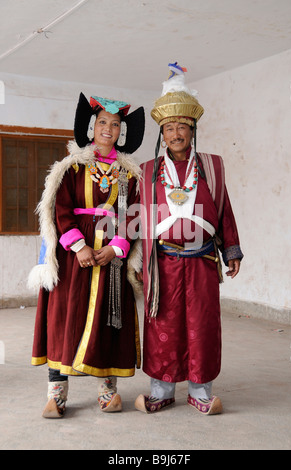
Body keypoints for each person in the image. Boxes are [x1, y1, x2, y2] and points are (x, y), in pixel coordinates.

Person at [134, 63, 243, 415]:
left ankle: (200, 391)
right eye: (169, 128)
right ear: (162, 134)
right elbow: (137, 216)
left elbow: (224, 209)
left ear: (192, 129)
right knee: (162, 325)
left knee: (202, 326)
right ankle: (162, 390)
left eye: (182, 126)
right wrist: (136, 260)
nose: (176, 133)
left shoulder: (213, 165)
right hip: (162, 263)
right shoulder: (148, 171)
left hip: (203, 261)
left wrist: (231, 250)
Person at [28, 93, 145, 418]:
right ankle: (57, 395)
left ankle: (107, 393)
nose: (108, 129)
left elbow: (131, 215)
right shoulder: (72, 167)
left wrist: (115, 248)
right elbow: (60, 208)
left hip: (112, 260)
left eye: (115, 124)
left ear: (121, 132)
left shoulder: (127, 175)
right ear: (92, 127)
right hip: (72, 260)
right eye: (103, 123)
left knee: (111, 320)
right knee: (64, 319)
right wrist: (79, 247)